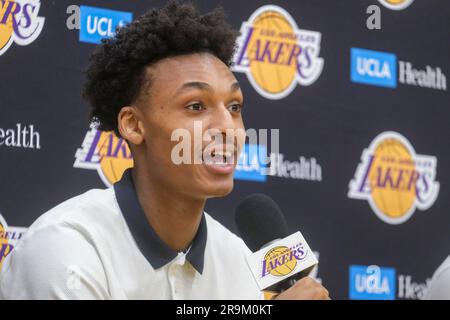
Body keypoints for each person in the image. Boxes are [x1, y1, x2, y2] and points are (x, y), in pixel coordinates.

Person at [0, 1, 329, 300]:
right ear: (133, 125)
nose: (227, 127)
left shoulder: (241, 260)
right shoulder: (64, 248)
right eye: (196, 106)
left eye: (234, 106)